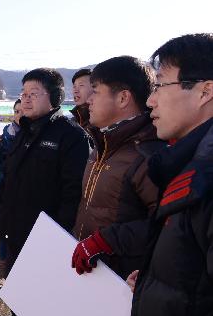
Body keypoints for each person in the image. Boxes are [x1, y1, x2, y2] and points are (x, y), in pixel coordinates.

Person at [109, 34, 213, 316]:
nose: (150, 100)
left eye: (160, 85)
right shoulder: (183, 166)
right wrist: (155, 279)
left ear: (205, 91)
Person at [0, 68, 90, 316]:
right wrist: (0, 214)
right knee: (22, 292)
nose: (26, 98)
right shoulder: (24, 131)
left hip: (50, 235)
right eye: (24, 92)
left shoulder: (69, 135)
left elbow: (74, 190)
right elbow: (8, 178)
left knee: (53, 300)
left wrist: (60, 234)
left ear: (55, 98)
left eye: (34, 93)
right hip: (17, 229)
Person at [70, 56, 164, 280]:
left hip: (122, 283)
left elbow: (166, 228)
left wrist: (105, 241)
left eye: (96, 91)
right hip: (91, 273)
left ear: (123, 98)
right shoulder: (103, 143)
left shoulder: (147, 154)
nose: (88, 100)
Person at [0, 98, 22, 287]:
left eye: (22, 111)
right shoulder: (7, 134)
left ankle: (17, 274)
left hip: (23, 194)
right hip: (4, 192)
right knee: (4, 232)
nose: (19, 115)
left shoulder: (33, 135)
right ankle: (3, 273)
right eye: (16, 111)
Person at [70, 68, 94, 133]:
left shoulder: (101, 121)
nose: (75, 90)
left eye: (81, 85)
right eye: (74, 86)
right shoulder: (72, 121)